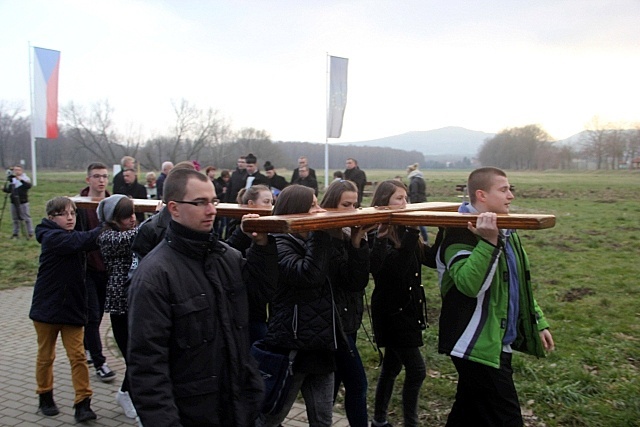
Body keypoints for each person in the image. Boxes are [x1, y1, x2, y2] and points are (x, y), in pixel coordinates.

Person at [127, 168, 278, 426]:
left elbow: (260, 297)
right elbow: (147, 367)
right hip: (191, 414)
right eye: (200, 203)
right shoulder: (155, 275)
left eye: (213, 201)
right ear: (174, 208)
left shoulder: (228, 258)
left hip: (239, 407)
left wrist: (262, 248)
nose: (211, 211)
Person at [437, 167, 555, 427]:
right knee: (507, 418)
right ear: (481, 195)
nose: (511, 196)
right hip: (474, 343)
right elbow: (469, 285)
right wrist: (488, 243)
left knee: (468, 411)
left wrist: (538, 320)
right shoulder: (458, 233)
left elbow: (515, 283)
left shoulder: (505, 229)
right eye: (503, 190)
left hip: (497, 338)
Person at [257, 185, 370, 427]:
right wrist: (320, 232)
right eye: (313, 206)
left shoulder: (319, 242)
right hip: (292, 346)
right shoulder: (278, 243)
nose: (320, 211)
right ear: (295, 210)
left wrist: (357, 245)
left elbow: (354, 281)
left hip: (321, 346)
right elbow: (309, 276)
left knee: (322, 420)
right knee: (272, 416)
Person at [30, 196, 101, 422]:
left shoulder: (72, 234)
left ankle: (83, 403)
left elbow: (85, 239)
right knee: (46, 356)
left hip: (72, 308)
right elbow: (82, 241)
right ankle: (45, 395)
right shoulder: (51, 237)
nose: (70, 218)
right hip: (46, 308)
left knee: (78, 356)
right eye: (64, 214)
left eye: (73, 213)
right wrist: (106, 225)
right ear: (52, 218)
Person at [369, 180, 429, 427]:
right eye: (400, 199)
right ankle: (411, 423)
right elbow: (393, 272)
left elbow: (428, 257)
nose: (406, 203)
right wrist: (415, 231)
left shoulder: (404, 230)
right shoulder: (376, 234)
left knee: (392, 367)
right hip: (393, 314)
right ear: (384, 202)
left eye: (406, 198)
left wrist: (451, 232)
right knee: (417, 370)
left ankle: (379, 420)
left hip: (408, 309)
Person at [320, 180, 373, 427]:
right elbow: (349, 281)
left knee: (333, 383)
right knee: (357, 383)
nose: (352, 210)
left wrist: (358, 244)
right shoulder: (324, 238)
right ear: (331, 204)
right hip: (333, 324)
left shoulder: (348, 234)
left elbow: (360, 282)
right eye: (345, 204)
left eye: (355, 204)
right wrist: (354, 246)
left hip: (349, 320)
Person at [96, 195, 139, 420]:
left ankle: (128, 393)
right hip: (120, 303)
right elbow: (137, 236)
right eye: (125, 216)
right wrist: (161, 217)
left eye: (133, 214)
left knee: (141, 354)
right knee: (133, 355)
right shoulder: (107, 236)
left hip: (139, 301)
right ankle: (125, 394)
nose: (132, 219)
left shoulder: (134, 231)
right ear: (113, 219)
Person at [75, 162, 117, 383]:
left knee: (99, 314)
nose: (101, 180)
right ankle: (100, 363)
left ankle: (88, 348)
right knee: (91, 316)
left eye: (104, 176)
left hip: (108, 270)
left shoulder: (114, 204)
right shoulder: (79, 205)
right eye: (97, 176)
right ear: (88, 179)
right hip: (88, 270)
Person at [3, 164, 34, 238]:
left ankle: (30, 232)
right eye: (15, 170)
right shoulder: (12, 180)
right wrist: (4, 189)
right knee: (15, 218)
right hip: (13, 201)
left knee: (26, 217)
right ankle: (15, 233)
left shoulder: (25, 178)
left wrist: (20, 179)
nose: (16, 171)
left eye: (18, 170)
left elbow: (28, 186)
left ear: (21, 171)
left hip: (23, 201)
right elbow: (10, 190)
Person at [406, 163, 428, 241]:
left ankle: (425, 239)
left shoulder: (414, 181)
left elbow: (414, 193)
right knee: (422, 222)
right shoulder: (421, 179)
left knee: (419, 223)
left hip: (417, 203)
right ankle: (425, 239)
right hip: (422, 201)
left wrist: (413, 204)